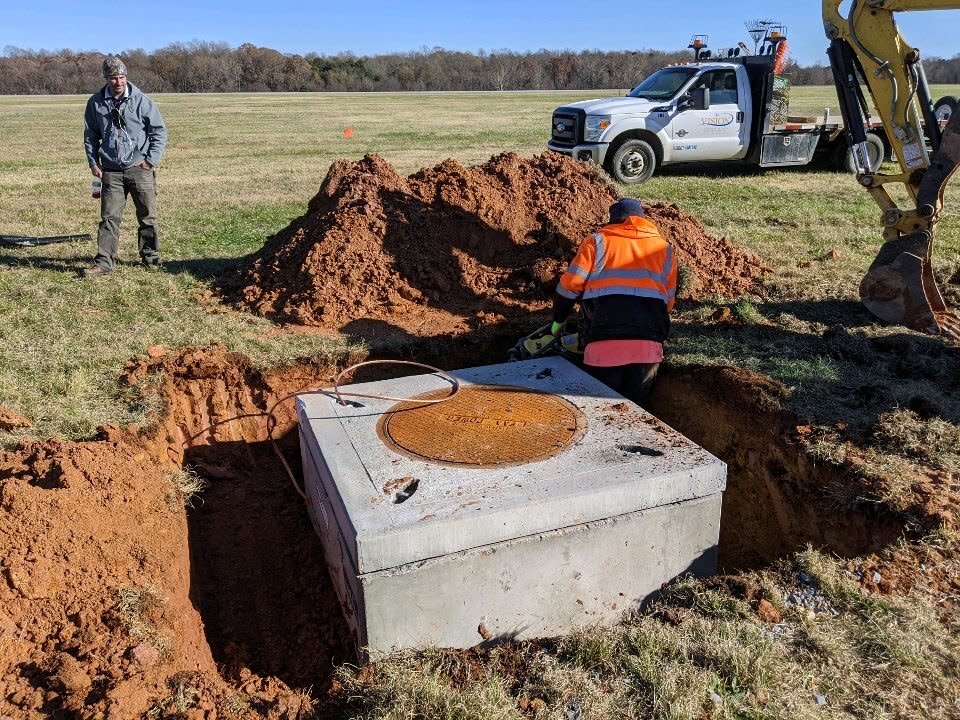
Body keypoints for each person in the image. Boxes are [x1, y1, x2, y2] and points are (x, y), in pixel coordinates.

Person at [551, 198, 676, 404]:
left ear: (613, 221)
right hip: (648, 349)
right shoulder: (665, 250)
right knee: (636, 412)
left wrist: (558, 321)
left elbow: (568, 288)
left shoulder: (597, 242)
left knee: (602, 412)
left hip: (603, 346)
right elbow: (668, 303)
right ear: (642, 220)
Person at [82, 56, 167, 277]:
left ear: (126, 77)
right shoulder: (96, 103)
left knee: (147, 216)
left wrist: (150, 160)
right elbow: (91, 135)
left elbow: (158, 131)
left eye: (121, 77)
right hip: (110, 170)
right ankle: (104, 263)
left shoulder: (142, 101)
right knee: (109, 218)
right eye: (113, 78)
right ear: (106, 79)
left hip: (139, 169)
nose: (118, 82)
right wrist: (93, 162)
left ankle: (150, 258)